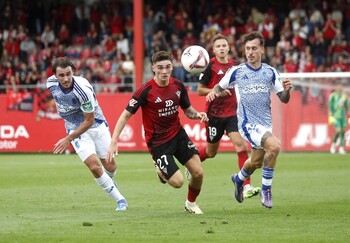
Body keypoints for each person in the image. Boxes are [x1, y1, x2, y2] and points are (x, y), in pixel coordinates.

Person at [106, 51, 208, 214]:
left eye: (168, 67)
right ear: (153, 68)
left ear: (172, 67)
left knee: (198, 172)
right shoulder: (145, 90)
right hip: (158, 143)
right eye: (160, 67)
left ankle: (190, 203)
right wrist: (114, 141)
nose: (164, 71)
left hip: (178, 135)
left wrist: (198, 115)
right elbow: (125, 115)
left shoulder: (178, 86)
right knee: (178, 182)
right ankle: (160, 169)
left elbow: (188, 111)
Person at [206, 31, 292, 209]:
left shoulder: (270, 72)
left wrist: (287, 91)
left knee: (256, 162)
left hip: (265, 123)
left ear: (262, 50)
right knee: (274, 146)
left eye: (254, 48)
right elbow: (217, 86)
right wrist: (215, 92)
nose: (250, 52)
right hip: (247, 124)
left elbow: (283, 98)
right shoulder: (236, 71)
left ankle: (238, 179)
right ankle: (266, 190)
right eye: (247, 49)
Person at [47, 56, 127, 211]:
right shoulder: (50, 83)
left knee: (110, 166)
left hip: (96, 125)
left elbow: (89, 121)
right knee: (94, 166)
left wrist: (68, 139)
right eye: (62, 75)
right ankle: (120, 200)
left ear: (73, 72)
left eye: (68, 74)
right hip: (76, 130)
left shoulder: (82, 90)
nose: (66, 78)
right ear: (55, 76)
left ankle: (109, 182)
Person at [195, 34, 260, 198]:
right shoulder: (210, 66)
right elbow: (200, 90)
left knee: (241, 146)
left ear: (229, 47)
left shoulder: (235, 66)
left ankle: (246, 186)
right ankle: (192, 164)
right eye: (218, 46)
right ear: (214, 49)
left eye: (224, 45)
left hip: (232, 113)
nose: (222, 48)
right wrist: (216, 91)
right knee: (211, 153)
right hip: (214, 116)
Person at [329, 82, 349, 155]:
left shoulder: (344, 96)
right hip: (335, 116)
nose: (339, 88)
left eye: (341, 86)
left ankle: (341, 148)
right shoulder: (333, 96)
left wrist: (349, 114)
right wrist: (330, 115)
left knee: (343, 132)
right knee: (338, 131)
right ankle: (333, 146)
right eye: (338, 86)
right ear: (336, 87)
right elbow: (330, 106)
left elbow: (347, 106)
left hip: (343, 116)